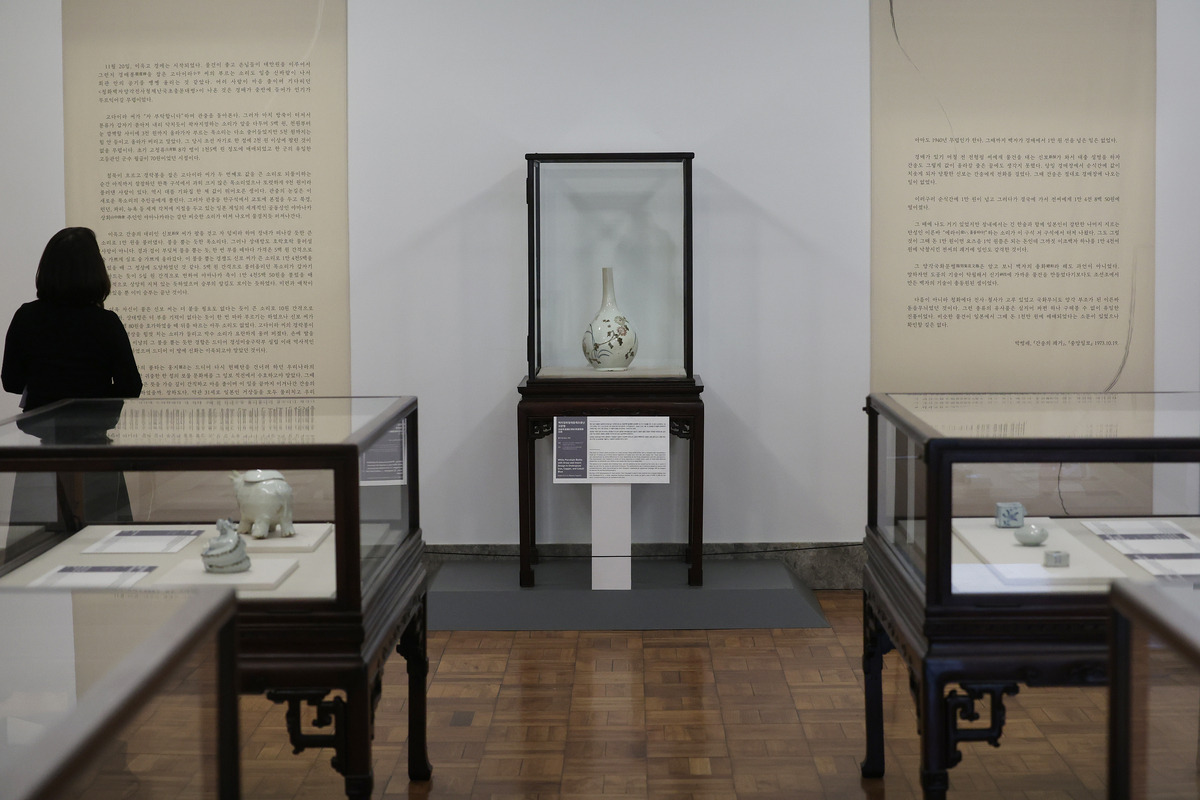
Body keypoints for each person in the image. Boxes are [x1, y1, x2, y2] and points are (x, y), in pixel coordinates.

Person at [2, 226, 142, 410]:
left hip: (40, 421)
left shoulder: (26, 316)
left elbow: (12, 382)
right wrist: (94, 394)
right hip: (93, 422)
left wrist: (46, 387)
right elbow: (131, 385)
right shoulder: (106, 322)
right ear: (95, 269)